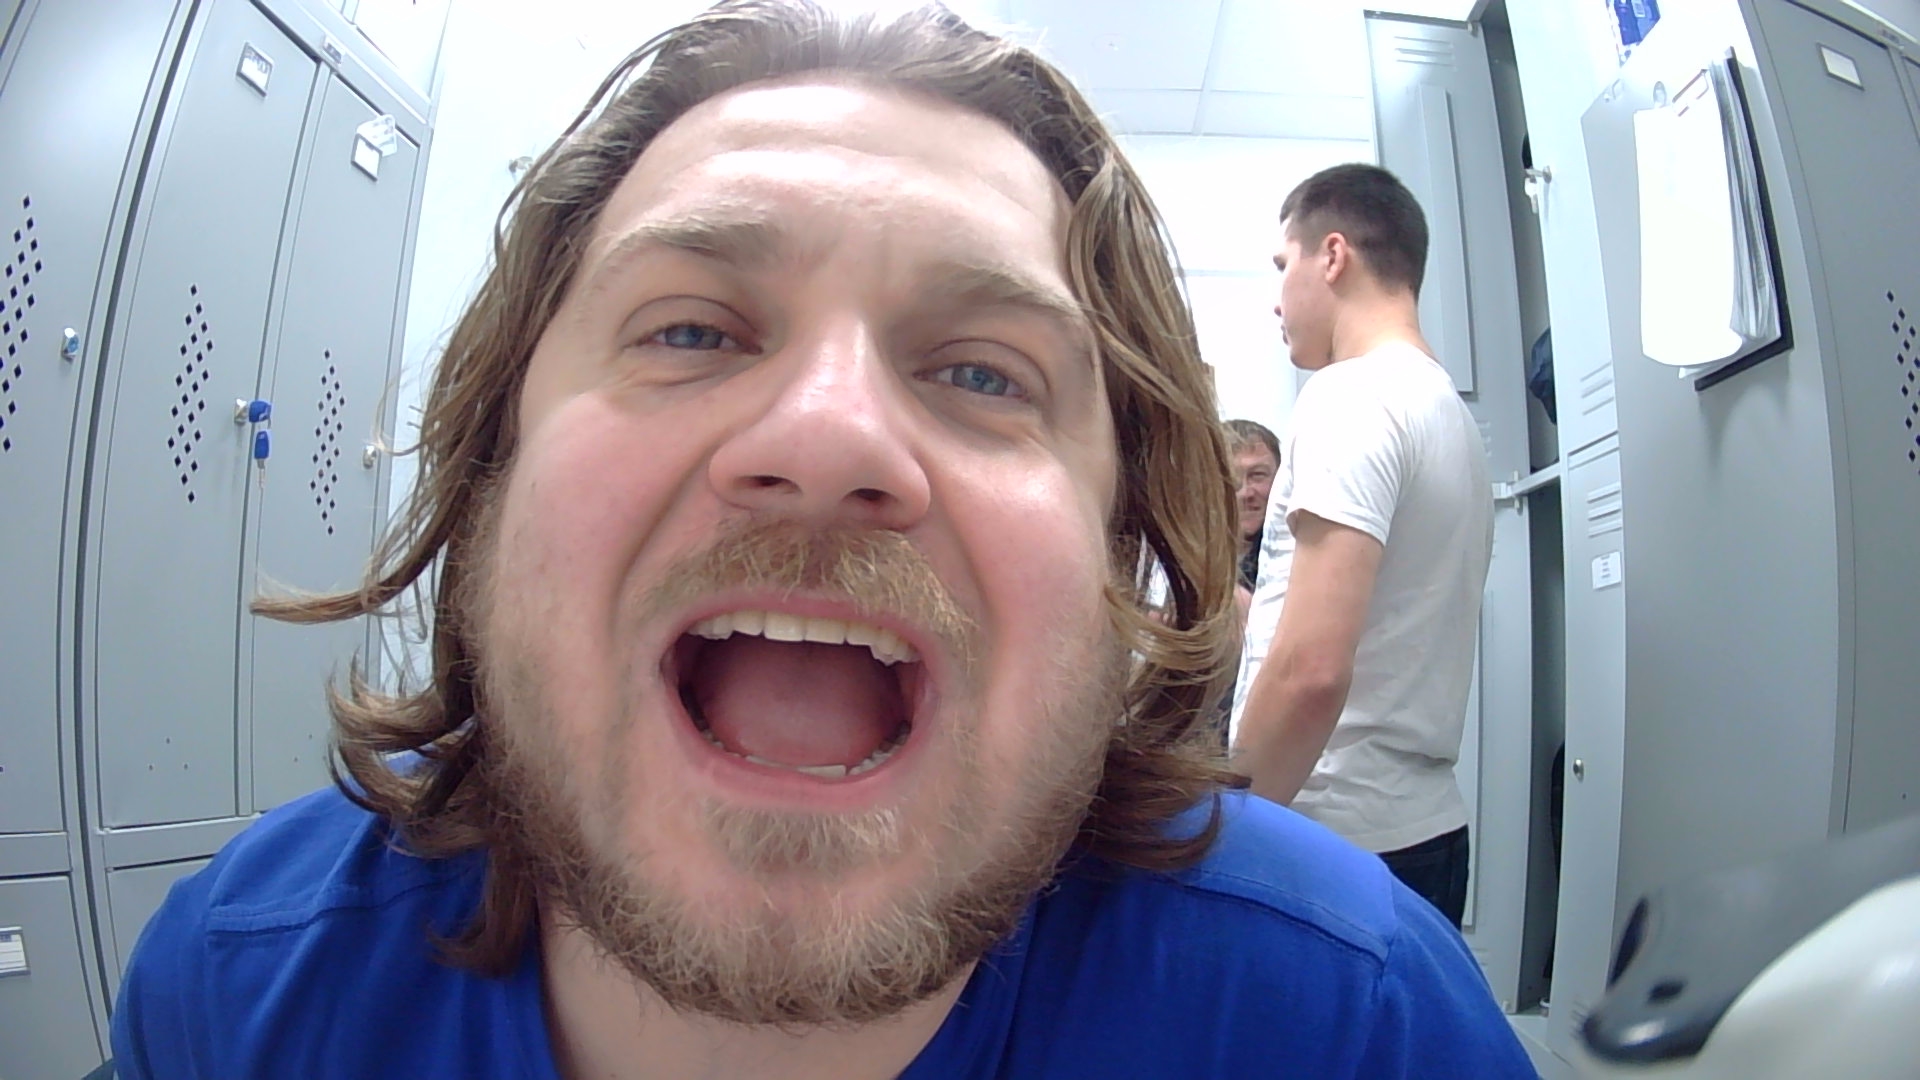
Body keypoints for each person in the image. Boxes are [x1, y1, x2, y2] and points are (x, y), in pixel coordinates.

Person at [110, 6, 1530, 1077]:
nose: (831, 435)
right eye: (688, 330)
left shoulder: (1360, 1025)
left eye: (982, 372)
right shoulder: (236, 995)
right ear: (496, 471)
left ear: (1117, 557)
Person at [1230, 163, 1494, 929]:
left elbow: (1310, 670)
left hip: (1332, 841)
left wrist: (1227, 833)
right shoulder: (1448, 414)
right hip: (1422, 831)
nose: (1276, 299)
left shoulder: (1353, 396)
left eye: (1283, 265)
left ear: (1333, 256)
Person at [1224, 418, 1280, 591]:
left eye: (1258, 475)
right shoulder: (1184, 554)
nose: (1245, 492)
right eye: (1232, 478)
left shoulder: (1294, 556)